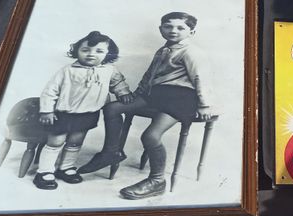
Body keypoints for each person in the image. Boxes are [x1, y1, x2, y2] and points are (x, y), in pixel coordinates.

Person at [77, 12, 214, 200]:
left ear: (192, 31)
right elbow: (150, 75)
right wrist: (137, 93)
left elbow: (201, 78)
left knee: (150, 135)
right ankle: (111, 152)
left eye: (180, 27)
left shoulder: (191, 52)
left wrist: (205, 105)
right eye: (168, 26)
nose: (173, 31)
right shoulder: (163, 49)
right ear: (161, 29)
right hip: (155, 94)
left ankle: (157, 180)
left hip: (180, 98)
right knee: (112, 108)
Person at [34, 31, 132, 190]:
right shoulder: (68, 70)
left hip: (88, 114)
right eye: (85, 50)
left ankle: (66, 168)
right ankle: (44, 172)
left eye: (99, 51)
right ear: (76, 51)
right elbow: (50, 91)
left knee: (75, 142)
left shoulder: (109, 70)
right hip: (63, 114)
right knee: (56, 142)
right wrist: (47, 111)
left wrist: (123, 92)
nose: (91, 54)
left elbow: (117, 83)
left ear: (109, 54)